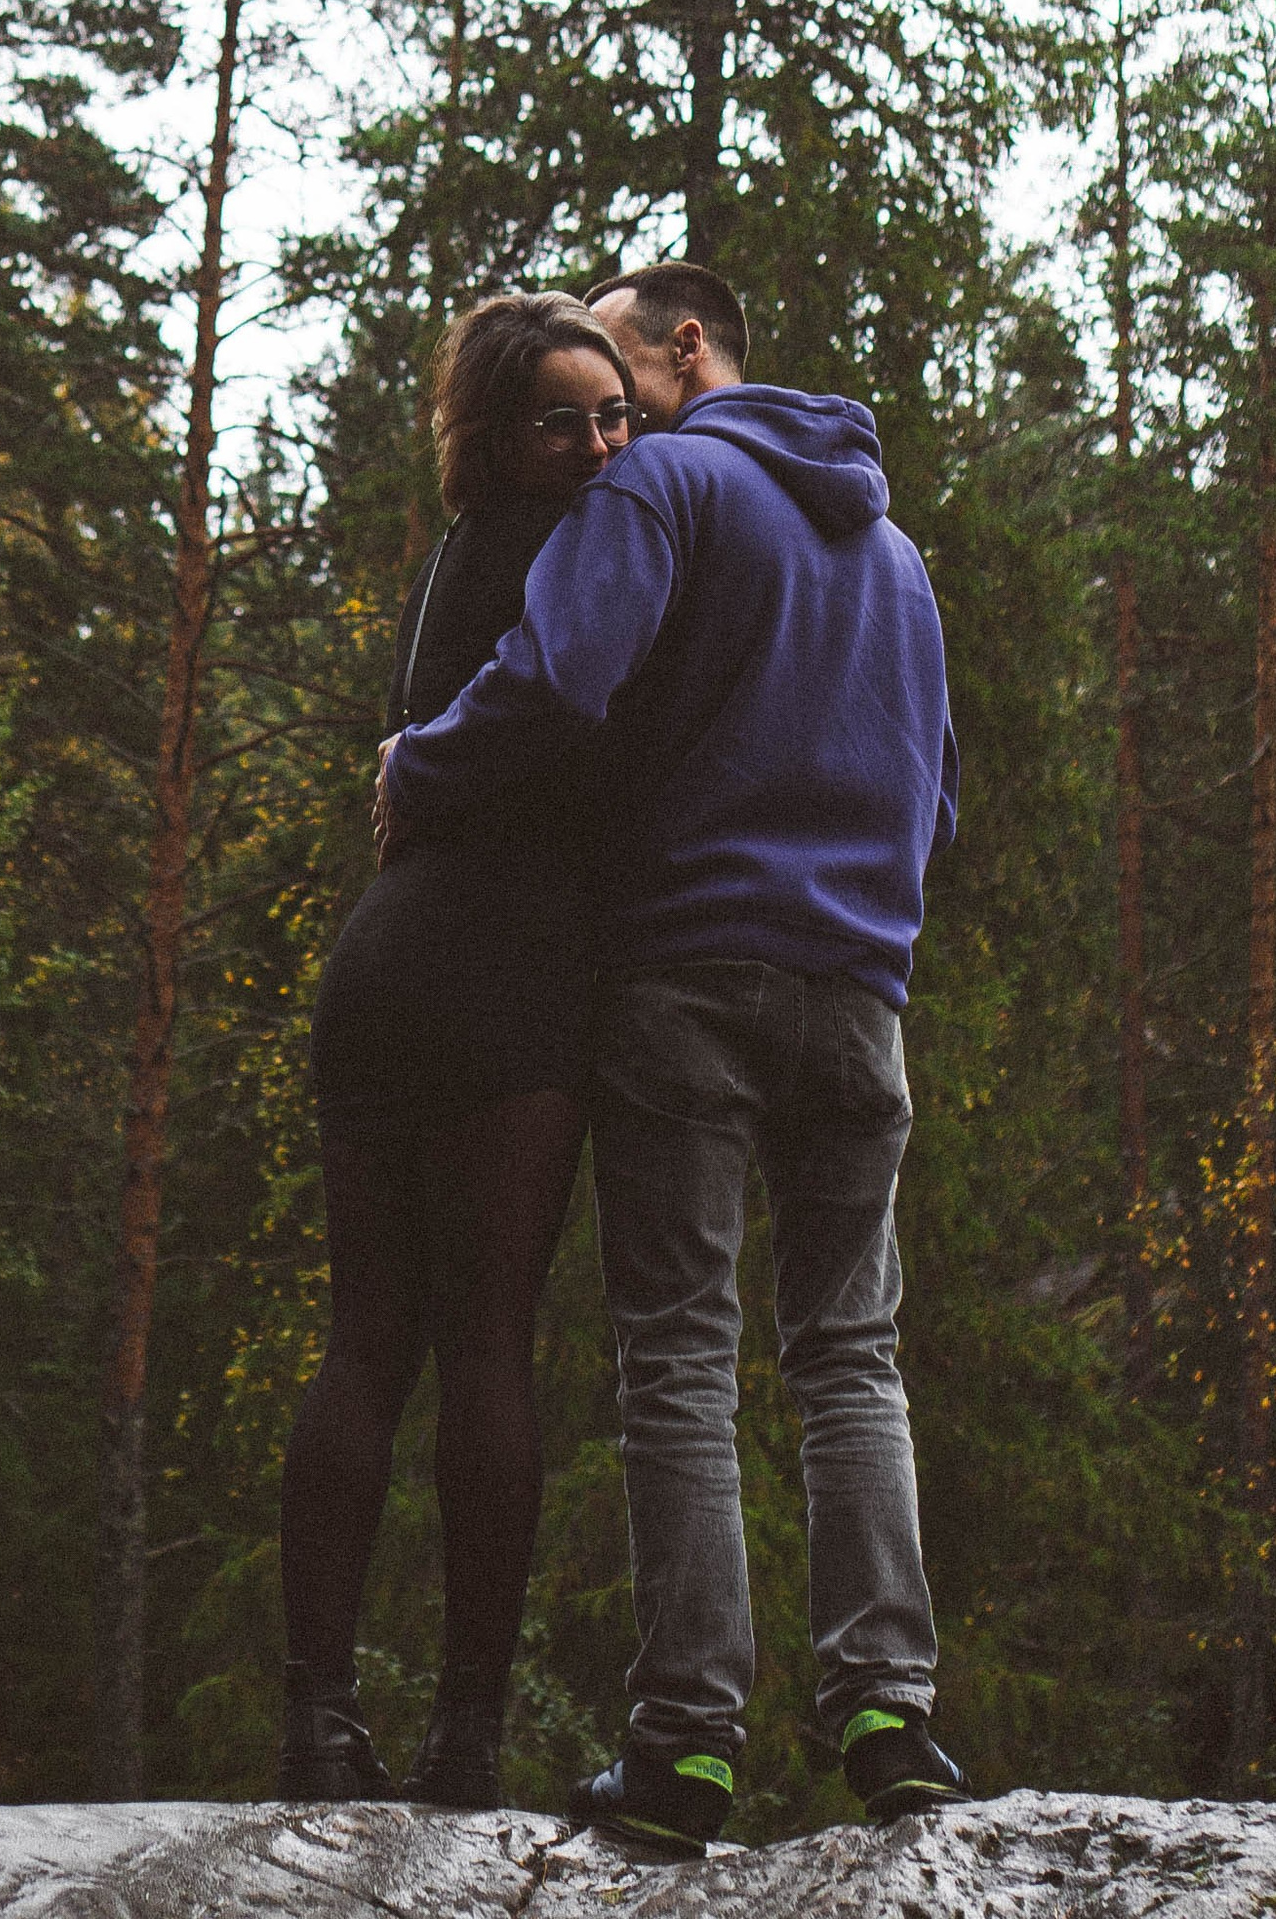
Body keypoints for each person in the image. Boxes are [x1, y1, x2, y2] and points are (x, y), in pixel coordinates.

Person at [377, 259, 967, 1855]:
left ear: (686, 345)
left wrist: (415, 766)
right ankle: (888, 1718)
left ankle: (686, 1749)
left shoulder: (665, 490)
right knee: (851, 1348)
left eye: (623, 372)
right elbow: (939, 801)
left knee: (682, 1359)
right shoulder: (897, 555)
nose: (609, 420)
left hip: (688, 978)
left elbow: (560, 677)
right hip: (860, 992)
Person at [276, 291, 637, 1811]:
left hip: (385, 957)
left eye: (617, 412)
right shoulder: (591, 556)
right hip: (501, 969)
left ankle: (316, 1721)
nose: (606, 441)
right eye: (568, 419)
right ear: (502, 439)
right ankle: (466, 1738)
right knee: (483, 1337)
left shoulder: (449, 563)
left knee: (370, 1337)